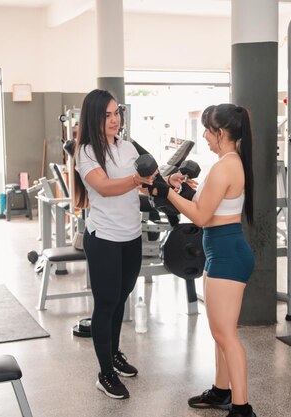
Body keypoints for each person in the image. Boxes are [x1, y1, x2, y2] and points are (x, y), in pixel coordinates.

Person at [72, 89, 187, 400]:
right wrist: (136, 181)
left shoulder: (128, 147)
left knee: (120, 301)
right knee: (106, 305)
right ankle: (104, 372)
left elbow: (149, 188)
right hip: (104, 240)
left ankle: (114, 354)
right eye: (107, 115)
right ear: (94, 117)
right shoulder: (86, 152)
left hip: (130, 237)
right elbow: (105, 188)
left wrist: (166, 184)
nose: (114, 119)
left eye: (116, 113)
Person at [150, 103, 256, 417]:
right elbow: (209, 202)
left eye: (208, 131)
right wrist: (186, 189)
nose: (205, 138)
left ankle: (242, 408)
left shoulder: (226, 165)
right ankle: (221, 391)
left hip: (227, 255)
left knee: (226, 333)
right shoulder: (227, 162)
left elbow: (200, 215)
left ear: (221, 133)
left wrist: (165, 192)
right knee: (220, 330)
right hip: (219, 251)